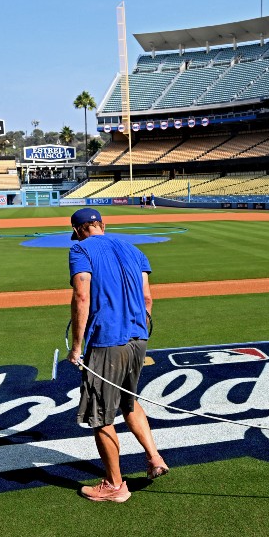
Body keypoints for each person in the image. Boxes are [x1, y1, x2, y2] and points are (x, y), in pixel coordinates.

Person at [67, 208, 169, 503]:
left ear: (78, 230)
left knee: (100, 415)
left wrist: (77, 346)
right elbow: (147, 297)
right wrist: (137, 324)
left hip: (107, 341)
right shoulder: (133, 249)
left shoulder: (80, 249)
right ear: (102, 224)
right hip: (138, 338)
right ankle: (154, 458)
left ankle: (114, 485)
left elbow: (82, 295)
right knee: (129, 400)